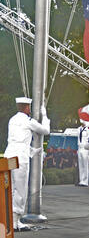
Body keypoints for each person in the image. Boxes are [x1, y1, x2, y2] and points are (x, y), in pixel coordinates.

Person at [4, 97, 50, 231]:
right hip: (20, 158)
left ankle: (10, 220)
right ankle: (15, 221)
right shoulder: (28, 121)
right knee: (20, 189)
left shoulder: (12, 120)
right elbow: (45, 131)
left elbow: (16, 140)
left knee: (10, 189)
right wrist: (45, 116)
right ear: (27, 108)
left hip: (9, 155)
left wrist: (32, 151)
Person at [77, 120, 89, 186]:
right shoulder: (79, 129)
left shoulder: (88, 130)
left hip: (85, 148)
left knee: (85, 166)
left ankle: (85, 181)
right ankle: (81, 180)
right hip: (80, 148)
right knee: (81, 166)